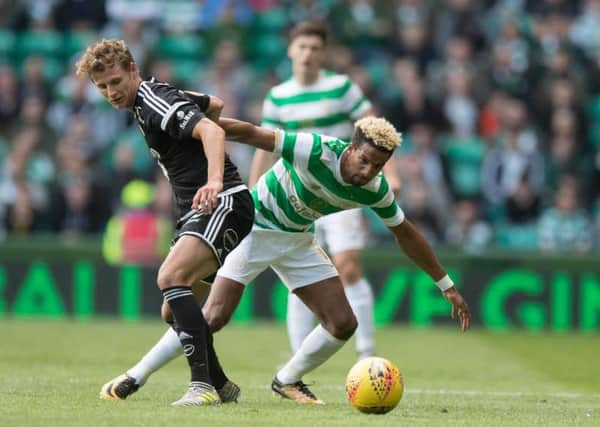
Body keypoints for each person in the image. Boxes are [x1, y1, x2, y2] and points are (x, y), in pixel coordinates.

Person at [201, 115, 471, 404]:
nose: (369, 171)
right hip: (259, 220)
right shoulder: (313, 147)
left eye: (378, 166)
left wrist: (447, 285)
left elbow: (406, 234)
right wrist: (197, 122)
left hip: (301, 230)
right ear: (351, 147)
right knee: (212, 315)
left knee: (344, 311)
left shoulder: (373, 183)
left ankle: (290, 378)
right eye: (365, 161)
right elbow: (254, 134)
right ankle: (151, 375)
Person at [75, 39, 254, 406]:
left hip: (222, 201)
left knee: (170, 278)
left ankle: (201, 385)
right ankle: (220, 384)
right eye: (102, 86)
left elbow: (214, 130)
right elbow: (214, 107)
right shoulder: (154, 98)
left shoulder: (154, 100)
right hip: (199, 210)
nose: (111, 92)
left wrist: (215, 180)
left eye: (115, 81)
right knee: (173, 310)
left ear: (132, 71)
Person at [249, 20, 401, 360]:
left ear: (324, 53)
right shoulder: (278, 97)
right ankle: (298, 360)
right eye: (302, 47)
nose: (308, 54)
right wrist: (252, 189)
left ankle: (366, 355)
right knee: (299, 274)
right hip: (296, 196)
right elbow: (266, 147)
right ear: (291, 50)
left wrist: (392, 173)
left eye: (315, 48)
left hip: (342, 194)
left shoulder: (341, 87)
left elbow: (375, 131)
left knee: (348, 266)